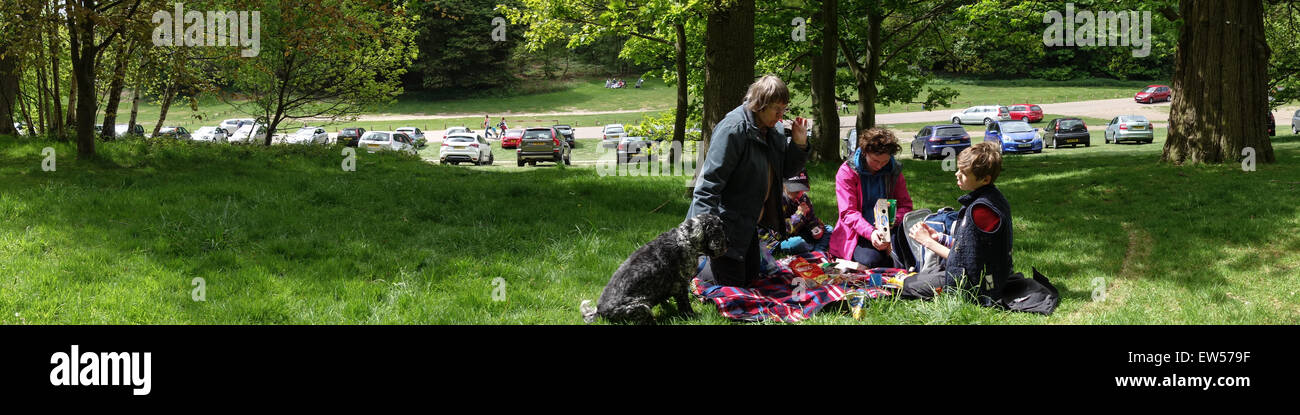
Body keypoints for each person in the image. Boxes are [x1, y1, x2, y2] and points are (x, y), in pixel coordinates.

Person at [687, 74, 810, 287]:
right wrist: (700, 234)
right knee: (730, 286)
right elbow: (708, 185)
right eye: (776, 109)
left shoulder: (775, 130)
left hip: (749, 224)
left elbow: (786, 170)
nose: (781, 116)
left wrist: (799, 145)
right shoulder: (733, 130)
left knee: (752, 281)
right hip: (726, 224)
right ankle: (697, 265)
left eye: (784, 109)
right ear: (759, 104)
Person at [903, 141, 1014, 304]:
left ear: (985, 179)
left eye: (963, 172)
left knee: (907, 285)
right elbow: (970, 248)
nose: (956, 174)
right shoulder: (991, 199)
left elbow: (964, 262)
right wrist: (938, 237)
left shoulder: (982, 210)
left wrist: (926, 241)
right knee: (919, 276)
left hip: (981, 286)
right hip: (994, 276)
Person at [828, 128, 914, 268]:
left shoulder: (894, 171)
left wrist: (892, 220)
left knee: (904, 252)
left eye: (885, 161)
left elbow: (906, 206)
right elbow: (848, 213)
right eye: (875, 160)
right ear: (864, 152)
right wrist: (871, 233)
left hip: (888, 229)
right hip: (857, 232)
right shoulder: (847, 172)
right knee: (873, 260)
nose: (879, 166)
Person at [774, 170, 831, 257]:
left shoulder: (803, 198)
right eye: (796, 191)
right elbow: (780, 233)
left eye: (802, 190)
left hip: (800, 232)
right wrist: (799, 215)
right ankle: (812, 250)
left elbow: (811, 219)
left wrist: (815, 229)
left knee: (829, 229)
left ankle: (817, 252)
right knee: (798, 243)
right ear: (784, 186)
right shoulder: (777, 201)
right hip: (782, 239)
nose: (800, 195)